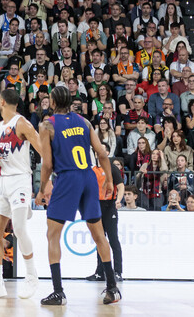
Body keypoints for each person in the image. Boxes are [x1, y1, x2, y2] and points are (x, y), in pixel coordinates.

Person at [36, 86, 121, 305]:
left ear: (53, 102)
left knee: (53, 235)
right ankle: (112, 288)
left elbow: (47, 164)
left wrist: (42, 187)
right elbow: (102, 153)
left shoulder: (47, 125)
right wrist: (110, 181)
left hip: (67, 179)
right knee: (99, 234)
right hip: (89, 177)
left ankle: (58, 291)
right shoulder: (84, 122)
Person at [0, 89, 42, 299]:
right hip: (1, 180)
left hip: (19, 179)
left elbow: (41, 147)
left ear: (2, 101)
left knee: (18, 228)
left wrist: (49, 177)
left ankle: (32, 277)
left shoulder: (22, 123)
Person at [85, 158, 125, 282]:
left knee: (113, 239)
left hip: (109, 206)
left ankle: (118, 272)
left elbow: (121, 186)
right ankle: (100, 272)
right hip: (96, 206)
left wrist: (118, 200)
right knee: (100, 239)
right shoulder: (92, 169)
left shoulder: (112, 168)